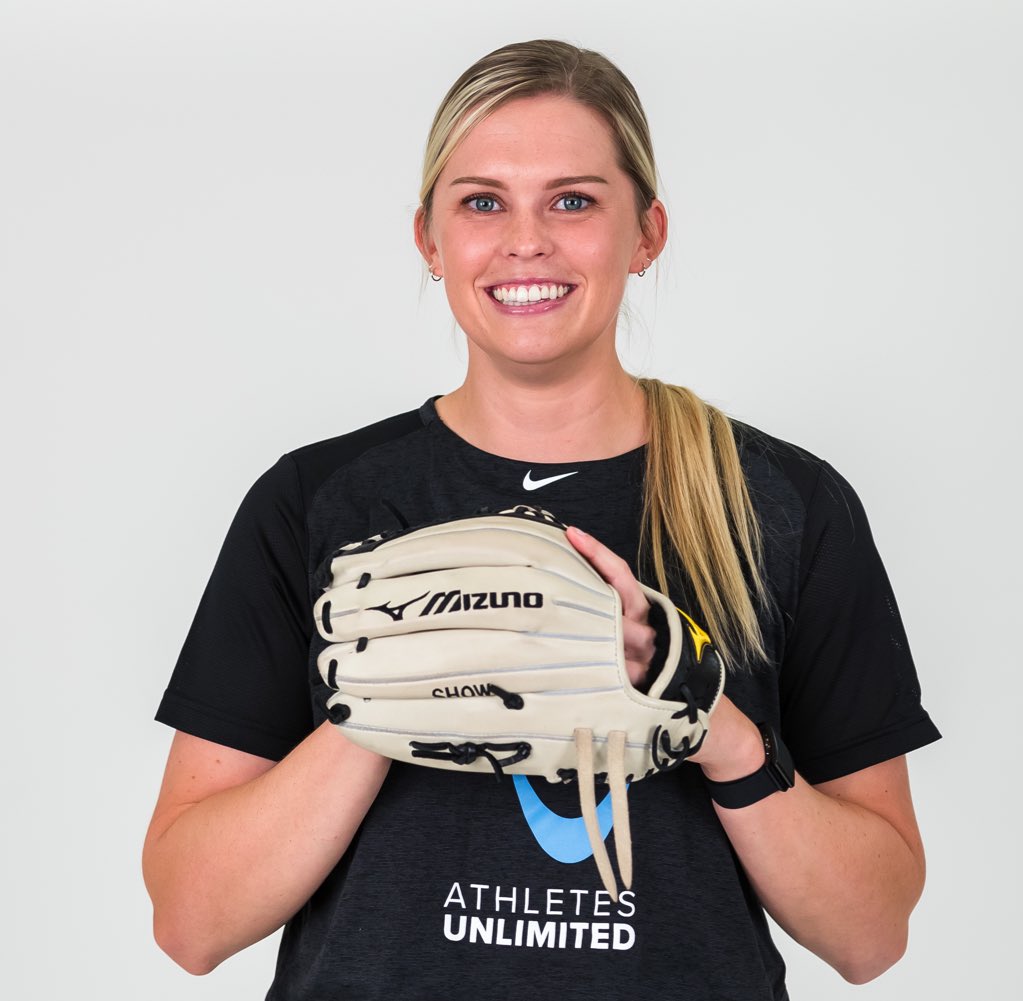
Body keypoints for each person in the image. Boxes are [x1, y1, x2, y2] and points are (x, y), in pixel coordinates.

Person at [143, 39, 940, 1000]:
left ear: (645, 234)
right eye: (482, 202)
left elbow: (869, 934)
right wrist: (395, 687)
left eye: (573, 200)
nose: (526, 241)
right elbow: (191, 921)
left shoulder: (781, 503)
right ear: (429, 240)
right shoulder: (319, 500)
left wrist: (699, 706)